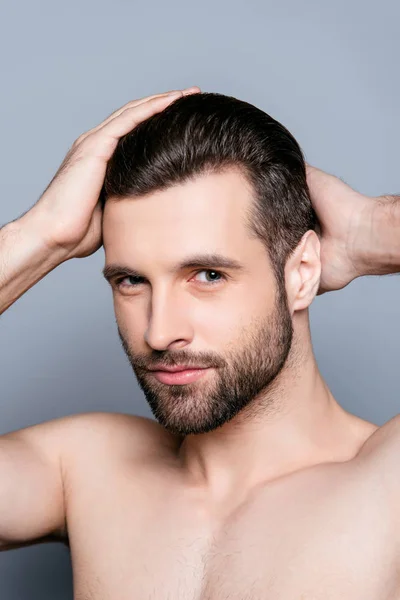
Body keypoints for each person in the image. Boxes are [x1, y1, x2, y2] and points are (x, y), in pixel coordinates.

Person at [0, 86, 399, 599]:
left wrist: (376, 228)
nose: (159, 331)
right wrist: (39, 237)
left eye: (207, 275)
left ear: (301, 272)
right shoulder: (86, 469)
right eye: (131, 281)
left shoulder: (384, 481)